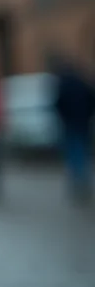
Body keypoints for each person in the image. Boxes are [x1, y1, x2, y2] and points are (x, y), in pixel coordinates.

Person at [50, 56, 95, 202]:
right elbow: (91, 99)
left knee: (72, 151)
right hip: (82, 122)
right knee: (81, 150)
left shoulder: (62, 84)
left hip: (69, 123)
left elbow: (58, 103)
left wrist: (63, 117)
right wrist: (87, 115)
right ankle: (82, 178)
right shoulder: (82, 82)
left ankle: (77, 178)